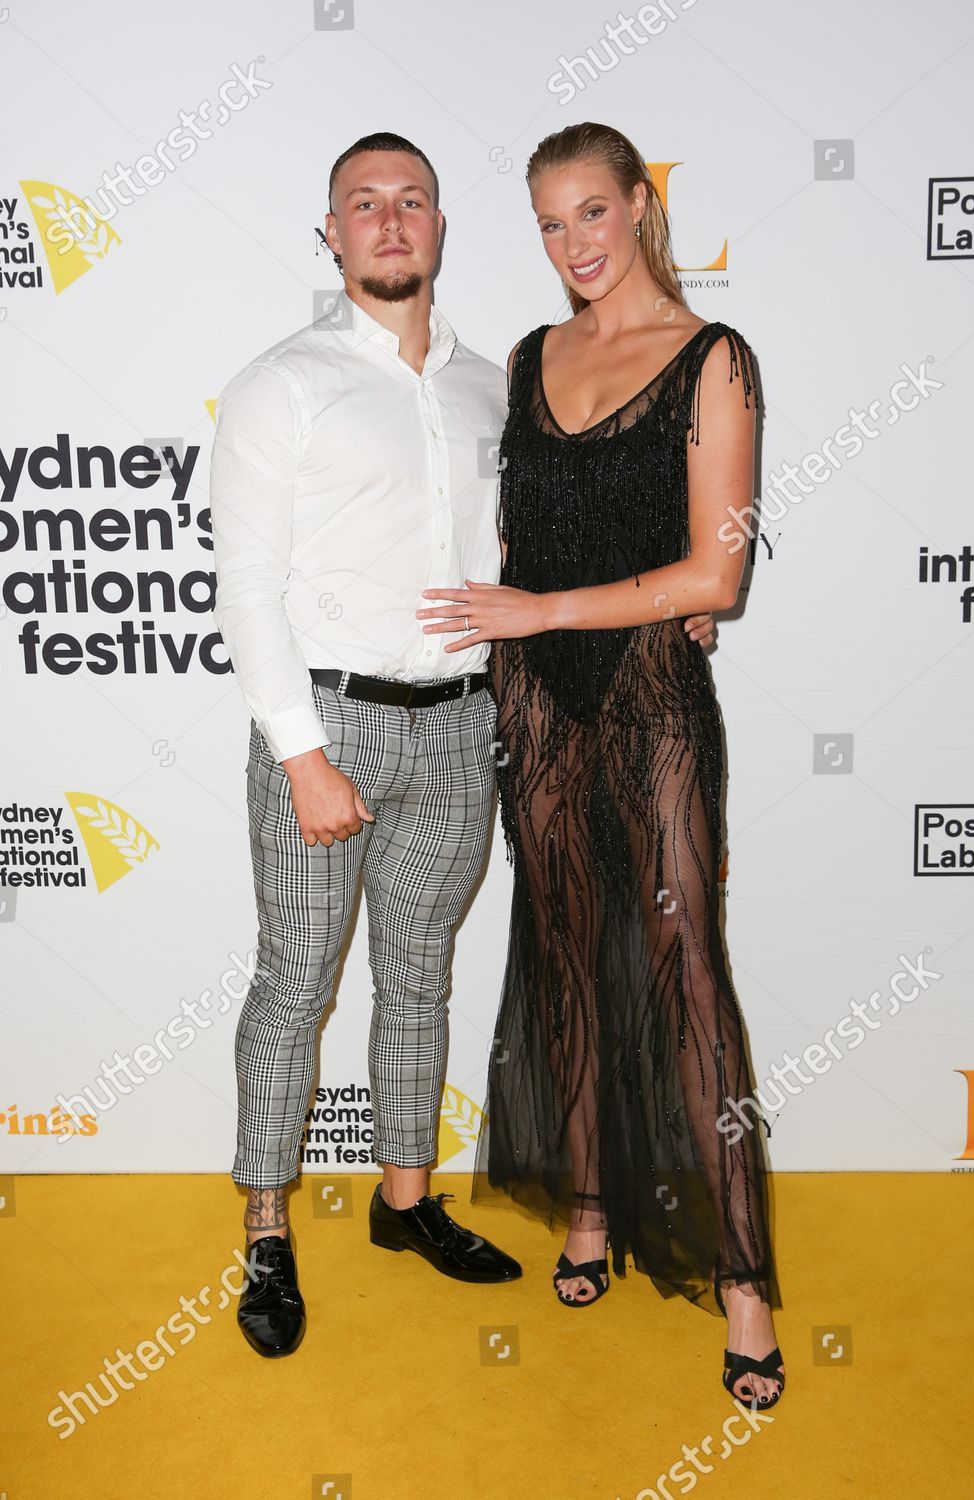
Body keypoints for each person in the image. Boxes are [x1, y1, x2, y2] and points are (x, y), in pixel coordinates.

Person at [210, 127, 723, 1360]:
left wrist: (683, 595)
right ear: (330, 233)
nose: (390, 220)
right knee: (295, 982)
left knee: (420, 977)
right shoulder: (280, 384)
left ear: (440, 229)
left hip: (462, 727)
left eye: (413, 201)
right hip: (328, 722)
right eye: (363, 202)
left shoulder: (500, 387)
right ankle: (267, 1232)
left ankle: (406, 1202)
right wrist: (302, 754)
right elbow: (246, 588)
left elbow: (562, 536)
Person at [417, 122, 785, 1409]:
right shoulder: (529, 358)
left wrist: (550, 610)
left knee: (689, 968)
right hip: (538, 702)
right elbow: (526, 532)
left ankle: (744, 1280)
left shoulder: (713, 358)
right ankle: (585, 1207)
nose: (572, 242)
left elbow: (717, 574)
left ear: (639, 206)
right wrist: (527, 611)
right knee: (564, 946)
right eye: (548, 223)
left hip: (651, 697)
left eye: (590, 211)